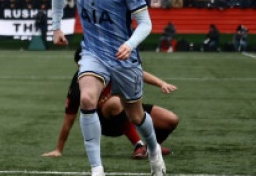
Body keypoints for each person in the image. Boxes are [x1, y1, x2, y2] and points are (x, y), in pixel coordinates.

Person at [51, 0, 166, 176]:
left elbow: (146, 24)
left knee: (136, 115)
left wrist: (129, 43)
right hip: (92, 53)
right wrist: (56, 27)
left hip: (123, 56)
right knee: (88, 99)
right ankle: (97, 169)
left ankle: (154, 149)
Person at [43, 48, 179, 160]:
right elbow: (68, 120)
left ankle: (153, 147)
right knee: (115, 102)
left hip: (128, 108)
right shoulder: (78, 84)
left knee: (171, 119)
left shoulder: (110, 66)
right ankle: (138, 145)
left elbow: (137, 73)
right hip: (107, 123)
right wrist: (58, 149)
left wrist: (162, 83)